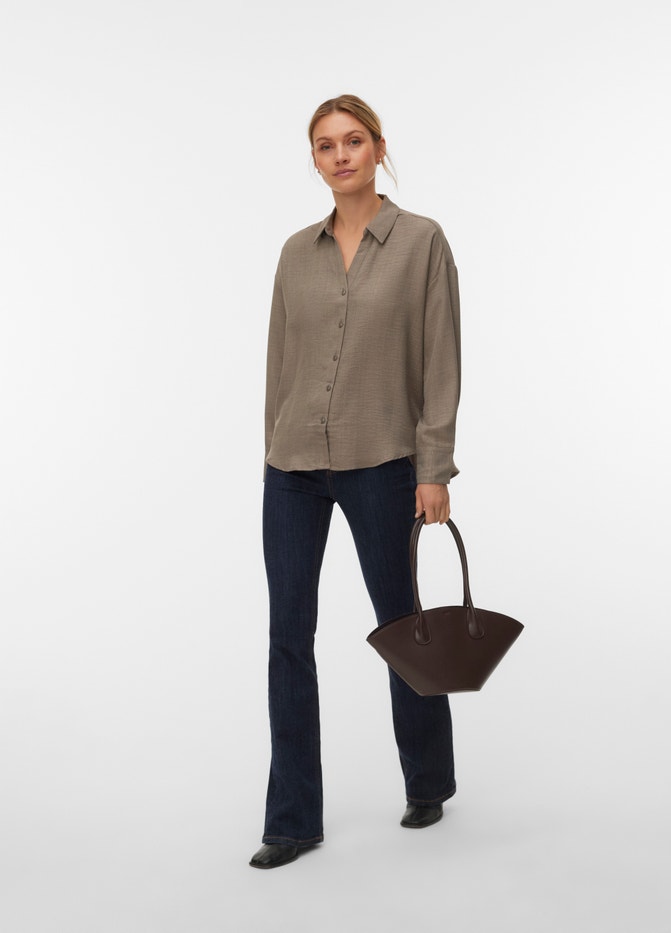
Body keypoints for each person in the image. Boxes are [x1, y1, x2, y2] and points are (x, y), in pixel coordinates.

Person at [249, 94, 461, 869]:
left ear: (378, 147)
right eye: (325, 145)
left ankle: (428, 779)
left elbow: (440, 360)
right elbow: (279, 363)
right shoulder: (293, 253)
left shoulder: (421, 242)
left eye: (353, 141)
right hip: (293, 469)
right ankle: (292, 819)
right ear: (314, 160)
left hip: (382, 462)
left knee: (401, 626)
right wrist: (273, 448)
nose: (340, 155)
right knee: (287, 636)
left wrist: (433, 468)